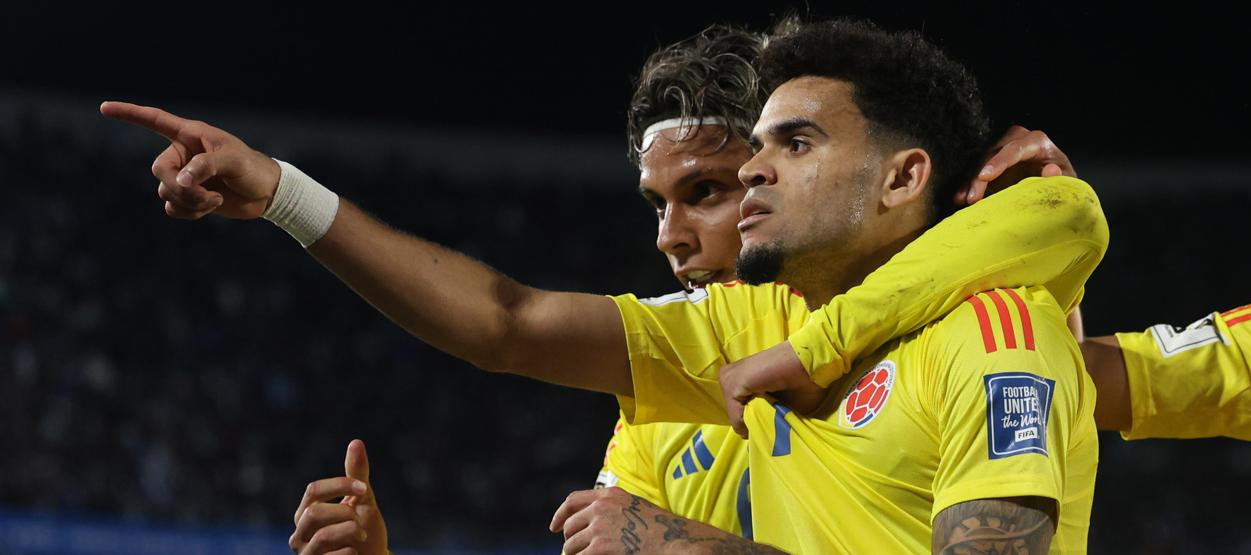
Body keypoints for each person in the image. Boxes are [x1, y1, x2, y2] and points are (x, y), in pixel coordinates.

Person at [102, 18, 1110, 553]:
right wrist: (281, 193)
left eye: (719, 184)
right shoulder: (697, 366)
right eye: (657, 202)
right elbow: (507, 322)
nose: (675, 237)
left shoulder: (992, 325)